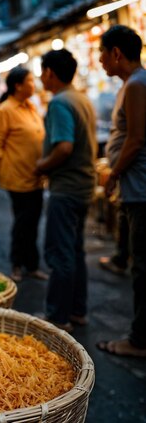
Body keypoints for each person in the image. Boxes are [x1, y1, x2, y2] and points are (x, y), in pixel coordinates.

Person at [35, 49, 97, 333]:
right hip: (83, 185)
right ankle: (77, 311)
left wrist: (41, 166)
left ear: (50, 72)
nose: (40, 77)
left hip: (67, 187)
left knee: (60, 253)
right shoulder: (81, 97)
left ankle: (58, 317)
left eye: (42, 71)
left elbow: (64, 146)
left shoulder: (60, 102)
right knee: (75, 250)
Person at [96, 25, 146, 357]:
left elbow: (136, 138)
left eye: (103, 53)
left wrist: (113, 175)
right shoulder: (135, 83)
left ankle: (139, 340)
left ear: (116, 53)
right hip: (138, 187)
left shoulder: (137, 85)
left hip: (140, 189)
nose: (100, 60)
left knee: (142, 266)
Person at [0, 66, 47, 282]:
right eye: (30, 81)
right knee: (23, 223)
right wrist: (2, 172)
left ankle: (31, 264)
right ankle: (17, 265)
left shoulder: (30, 107)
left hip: (36, 177)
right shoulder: (5, 111)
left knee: (32, 222)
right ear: (18, 86)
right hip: (17, 178)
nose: (34, 84)